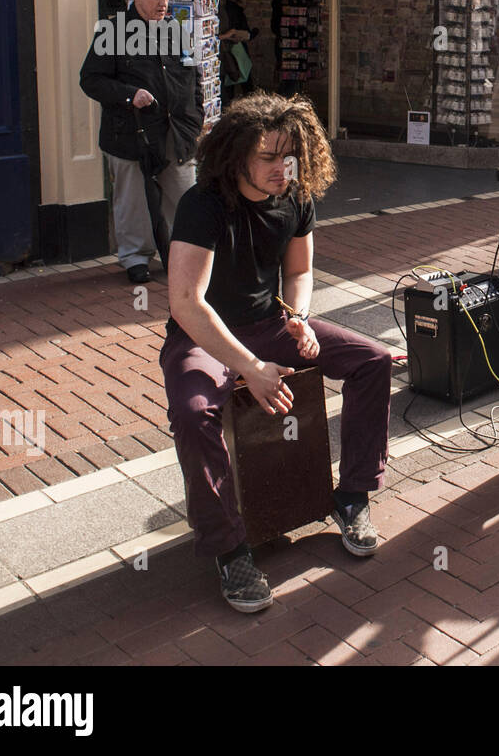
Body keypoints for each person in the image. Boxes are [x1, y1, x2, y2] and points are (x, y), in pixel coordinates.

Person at [163, 93, 393, 612]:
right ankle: (229, 549)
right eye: (268, 157)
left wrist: (300, 317)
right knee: (195, 412)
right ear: (237, 155)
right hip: (204, 336)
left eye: (290, 156)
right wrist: (250, 368)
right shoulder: (204, 204)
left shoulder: (296, 197)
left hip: (270, 325)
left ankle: (353, 495)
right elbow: (185, 303)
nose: (281, 168)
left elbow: (300, 272)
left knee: (373, 360)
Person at [80, 0, 200, 285]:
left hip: (175, 133)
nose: (164, 2)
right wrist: (128, 95)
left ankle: (182, 257)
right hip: (128, 134)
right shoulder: (113, 32)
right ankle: (136, 259)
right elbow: (90, 80)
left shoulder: (175, 30)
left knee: (185, 197)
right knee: (131, 200)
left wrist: (195, 119)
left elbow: (193, 77)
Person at [218, 0, 256, 105]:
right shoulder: (233, 10)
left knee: (229, 84)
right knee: (243, 79)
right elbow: (245, 32)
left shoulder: (223, 8)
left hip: (226, 50)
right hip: (232, 49)